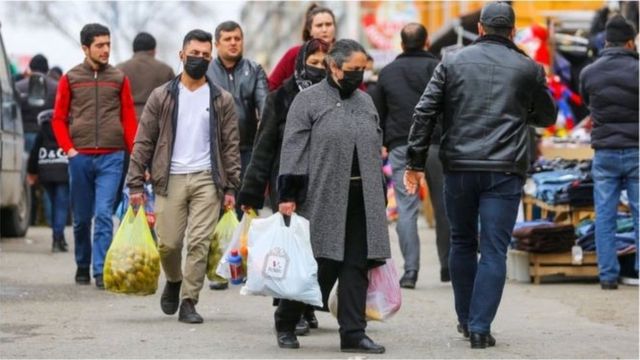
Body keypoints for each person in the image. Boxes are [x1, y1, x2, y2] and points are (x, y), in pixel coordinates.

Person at [403, 2, 556, 349]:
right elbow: (547, 116)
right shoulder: (528, 68)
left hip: (458, 166)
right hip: (504, 170)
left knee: (461, 241)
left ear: (482, 29)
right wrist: (521, 109)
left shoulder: (452, 62)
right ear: (513, 32)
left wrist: (414, 162)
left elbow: (424, 111)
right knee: (493, 249)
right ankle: (480, 327)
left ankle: (464, 318)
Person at [276, 39, 390, 354]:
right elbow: (294, 148)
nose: (359, 76)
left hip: (361, 197)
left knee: (356, 266)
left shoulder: (366, 103)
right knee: (318, 264)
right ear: (334, 67)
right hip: (321, 197)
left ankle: (353, 332)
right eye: (353, 70)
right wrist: (288, 194)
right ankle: (287, 319)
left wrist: (379, 192)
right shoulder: (308, 101)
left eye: (363, 70)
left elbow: (375, 147)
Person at [127, 29, 241, 324]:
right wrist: (135, 182)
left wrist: (231, 186)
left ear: (211, 57)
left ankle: (189, 301)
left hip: (207, 179)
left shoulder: (221, 99)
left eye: (205, 56)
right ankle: (174, 280)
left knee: (199, 242)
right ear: (181, 55)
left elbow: (230, 145)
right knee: (169, 244)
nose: (199, 60)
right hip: (170, 178)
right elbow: (144, 141)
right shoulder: (161, 96)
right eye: (194, 54)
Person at [238, 38, 330, 336]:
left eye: (322, 63)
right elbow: (263, 146)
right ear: (300, 62)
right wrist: (251, 192)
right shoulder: (281, 97)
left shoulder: (333, 97)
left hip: (322, 179)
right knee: (291, 245)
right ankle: (291, 310)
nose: (317, 68)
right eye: (312, 62)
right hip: (286, 179)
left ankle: (305, 304)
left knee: (316, 245)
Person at [51, 23, 137, 289]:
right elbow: (58, 118)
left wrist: (136, 156)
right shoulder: (70, 78)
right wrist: (70, 151)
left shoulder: (119, 78)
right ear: (85, 48)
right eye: (100, 45)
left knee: (103, 214)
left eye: (108, 44)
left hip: (112, 156)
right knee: (81, 219)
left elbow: (129, 120)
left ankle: (100, 270)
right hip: (81, 158)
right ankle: (82, 264)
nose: (106, 50)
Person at [370, 23, 450, 288]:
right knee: (443, 205)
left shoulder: (388, 73)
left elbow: (377, 112)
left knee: (406, 208)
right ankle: (447, 267)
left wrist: (383, 142)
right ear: (427, 42)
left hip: (401, 145)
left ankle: (411, 272)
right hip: (436, 144)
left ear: (402, 45)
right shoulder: (439, 67)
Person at [579, 15, 638, 290]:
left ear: (605, 41)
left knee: (604, 215)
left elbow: (586, 102)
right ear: (630, 42)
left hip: (604, 152)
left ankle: (607, 275)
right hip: (637, 150)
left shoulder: (589, 72)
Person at [206, 20, 268, 223]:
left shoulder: (255, 69)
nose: (233, 43)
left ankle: (245, 254)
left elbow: (266, 108)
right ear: (217, 44)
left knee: (246, 214)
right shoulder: (205, 73)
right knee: (213, 214)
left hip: (247, 151)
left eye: (237, 38)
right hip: (213, 153)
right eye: (227, 39)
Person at [27, 110, 69, 253]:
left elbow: (34, 152)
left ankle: (59, 236)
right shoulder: (66, 128)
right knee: (61, 206)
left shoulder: (42, 132)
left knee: (53, 203)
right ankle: (57, 240)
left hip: (45, 172)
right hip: (63, 172)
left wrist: (32, 172)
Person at [268, 3, 336, 91]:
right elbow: (270, 87)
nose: (324, 29)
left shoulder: (345, 55)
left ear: (334, 27)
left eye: (328, 24)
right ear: (310, 30)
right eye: (319, 25)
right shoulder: (294, 54)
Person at [116, 32, 175, 119]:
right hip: (157, 120)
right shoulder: (166, 70)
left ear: (134, 50)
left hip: (128, 120)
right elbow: (173, 99)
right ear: (154, 50)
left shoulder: (119, 69)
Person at [16, 54, 58, 152]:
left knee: (25, 165)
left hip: (25, 133)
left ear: (30, 68)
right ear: (47, 69)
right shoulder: (57, 87)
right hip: (49, 136)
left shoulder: (18, 86)